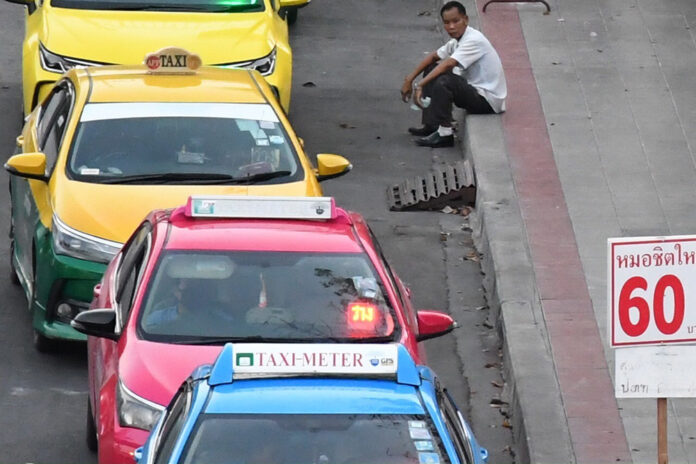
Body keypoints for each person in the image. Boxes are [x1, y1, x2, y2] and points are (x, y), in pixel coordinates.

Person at [400, 1, 507, 148]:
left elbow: (449, 64)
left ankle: (445, 134)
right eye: (447, 22)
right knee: (432, 69)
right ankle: (432, 124)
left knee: (445, 81)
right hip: (474, 90)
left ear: (466, 20)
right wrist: (409, 79)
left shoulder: (473, 40)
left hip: (487, 101)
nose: (451, 27)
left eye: (456, 21)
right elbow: (433, 57)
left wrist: (420, 84)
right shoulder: (457, 41)